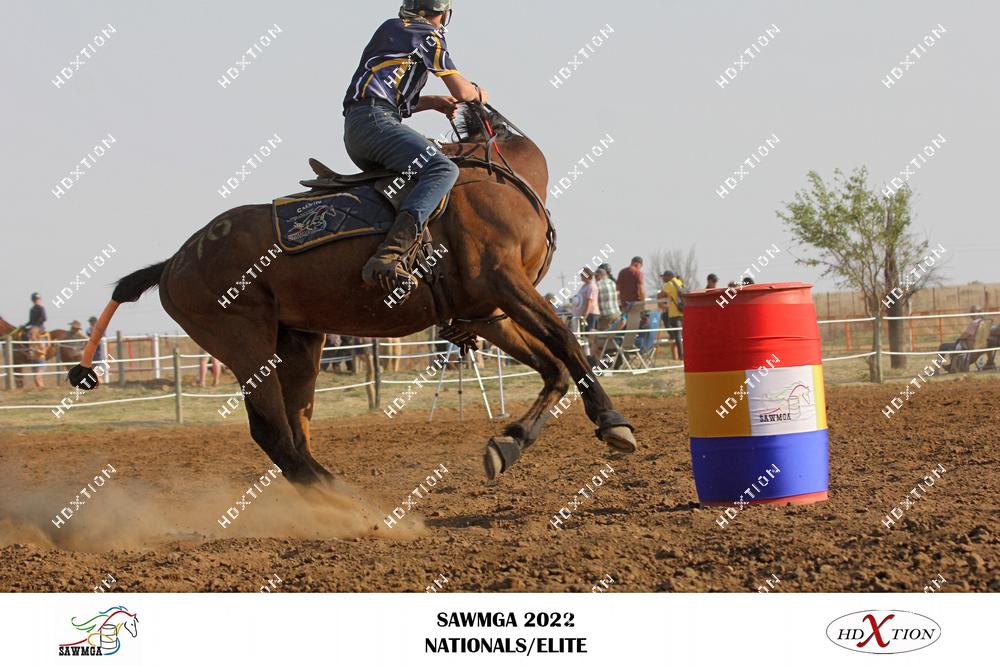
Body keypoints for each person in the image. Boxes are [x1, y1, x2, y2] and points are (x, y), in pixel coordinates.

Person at [343, 0, 488, 296]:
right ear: (443, 14)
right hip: (376, 124)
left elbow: (385, 94)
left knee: (418, 176)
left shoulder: (392, 28)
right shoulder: (428, 34)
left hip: (360, 129)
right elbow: (461, 91)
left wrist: (432, 102)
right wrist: (478, 93)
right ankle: (391, 254)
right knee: (442, 169)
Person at [616, 257, 646, 350]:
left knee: (624, 328)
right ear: (638, 264)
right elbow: (641, 290)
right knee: (633, 330)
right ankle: (630, 349)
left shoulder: (622, 272)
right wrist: (644, 303)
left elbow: (617, 289)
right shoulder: (638, 273)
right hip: (635, 306)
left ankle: (621, 348)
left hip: (624, 306)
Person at [658, 271, 685, 360]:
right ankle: (683, 354)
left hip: (674, 312)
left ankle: (681, 355)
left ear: (669, 276)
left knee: (676, 335)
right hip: (682, 311)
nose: (663, 279)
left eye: (664, 277)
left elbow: (660, 296)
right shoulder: (679, 281)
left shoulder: (669, 284)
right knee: (681, 334)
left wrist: (659, 294)